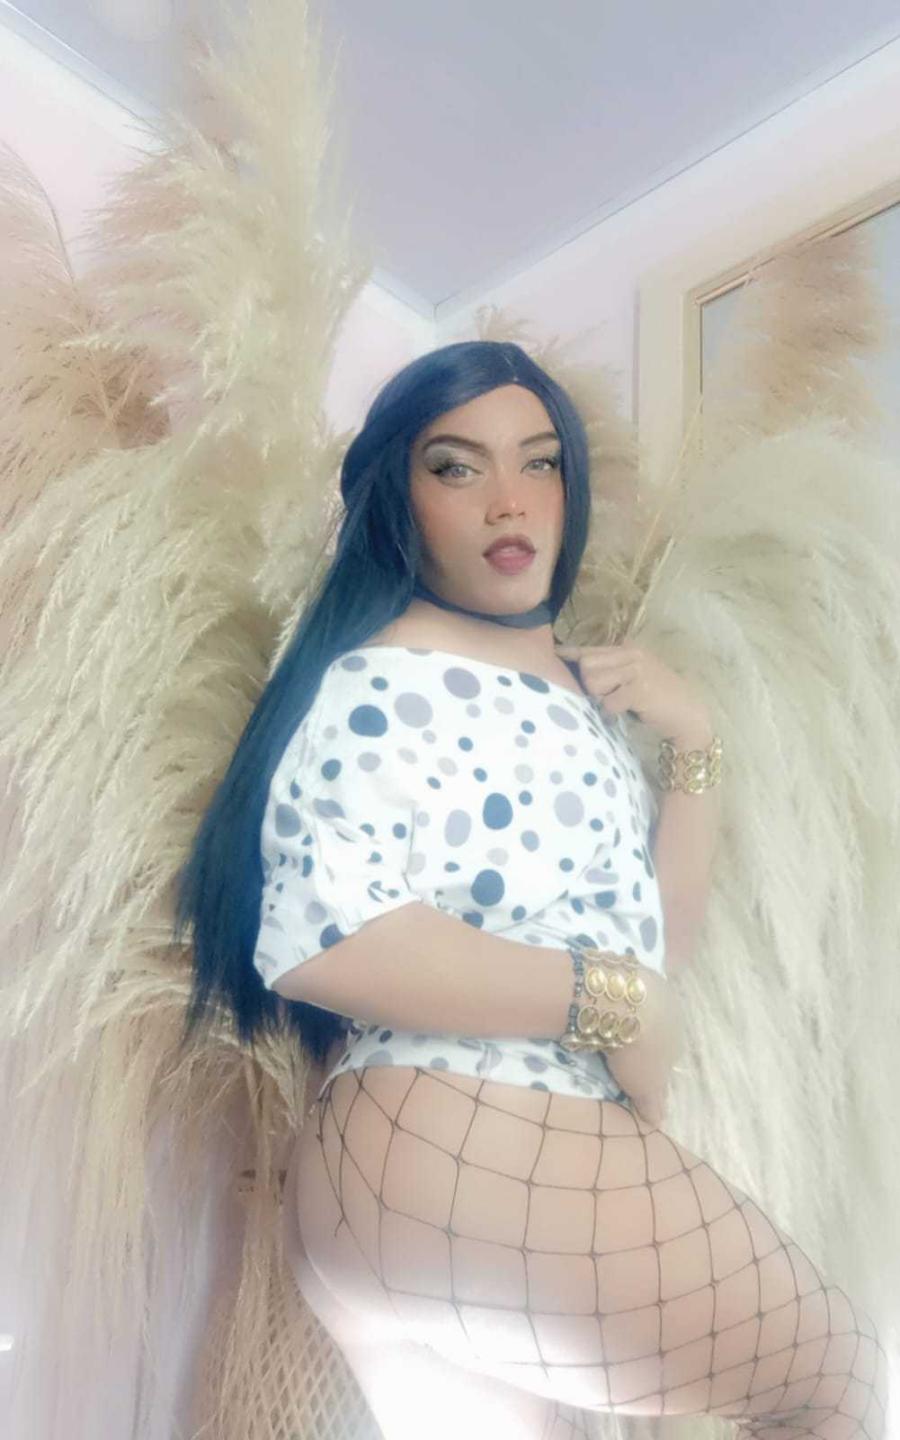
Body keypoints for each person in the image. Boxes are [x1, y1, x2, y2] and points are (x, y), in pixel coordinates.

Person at [177, 340, 888, 1440]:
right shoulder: (383, 675)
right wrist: (609, 1002)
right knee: (835, 1380)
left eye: (540, 462)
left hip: (419, 1177)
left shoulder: (570, 699)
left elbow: (653, 948)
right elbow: (330, 937)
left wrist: (695, 747)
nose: (509, 499)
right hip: (469, 1137)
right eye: (457, 467)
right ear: (399, 500)